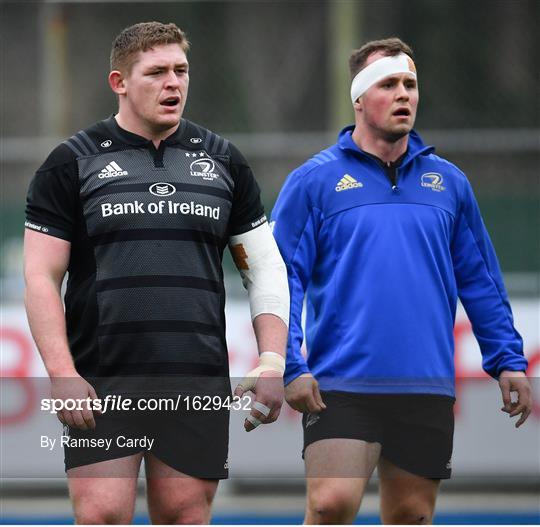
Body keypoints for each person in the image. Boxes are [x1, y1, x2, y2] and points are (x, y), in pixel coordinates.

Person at [24, 21, 289, 524]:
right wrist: (62, 374)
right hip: (104, 380)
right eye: (157, 73)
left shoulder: (224, 160)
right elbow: (40, 276)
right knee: (102, 514)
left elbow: (265, 268)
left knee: (184, 514)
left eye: (181, 71)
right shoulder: (70, 163)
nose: (174, 83)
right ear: (119, 82)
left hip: (195, 379)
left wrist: (272, 360)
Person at [271, 37, 532, 524]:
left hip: (425, 381)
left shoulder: (449, 183)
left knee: (411, 516)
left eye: (410, 84)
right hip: (341, 382)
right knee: (331, 506)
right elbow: (281, 279)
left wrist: (507, 359)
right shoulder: (314, 182)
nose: (404, 95)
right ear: (359, 98)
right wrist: (289, 362)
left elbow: (480, 280)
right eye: (388, 83)